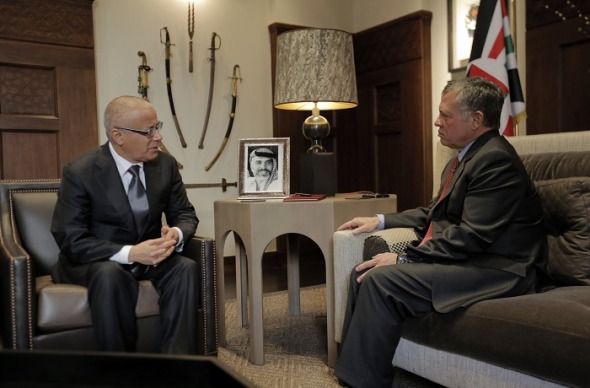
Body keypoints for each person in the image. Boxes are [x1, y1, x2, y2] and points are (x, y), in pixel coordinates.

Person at [334, 77, 546, 388]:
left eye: (445, 115)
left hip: (500, 268)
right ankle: (354, 374)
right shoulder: (462, 160)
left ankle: (362, 382)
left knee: (381, 280)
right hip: (471, 258)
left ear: (476, 120)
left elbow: (471, 236)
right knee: (361, 272)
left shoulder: (496, 160)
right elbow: (433, 214)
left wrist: (404, 258)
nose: (437, 122)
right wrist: (379, 221)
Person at [51, 95, 200, 354]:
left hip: (150, 257)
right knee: (110, 275)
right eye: (148, 131)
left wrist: (174, 234)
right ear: (118, 136)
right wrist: (131, 253)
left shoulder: (165, 165)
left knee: (185, 267)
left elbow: (185, 214)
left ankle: (178, 364)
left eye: (158, 127)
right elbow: (70, 238)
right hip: (96, 261)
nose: (158, 137)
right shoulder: (80, 172)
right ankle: (122, 371)